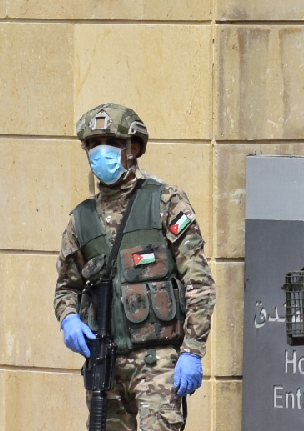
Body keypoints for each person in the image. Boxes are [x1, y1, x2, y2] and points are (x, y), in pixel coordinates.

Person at [53, 103, 214, 431]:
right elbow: (66, 287)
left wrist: (193, 351)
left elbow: (198, 281)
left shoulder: (165, 203)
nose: (100, 152)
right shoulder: (81, 221)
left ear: (133, 148)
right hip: (105, 365)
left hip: (158, 364)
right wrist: (68, 318)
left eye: (109, 143)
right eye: (92, 145)